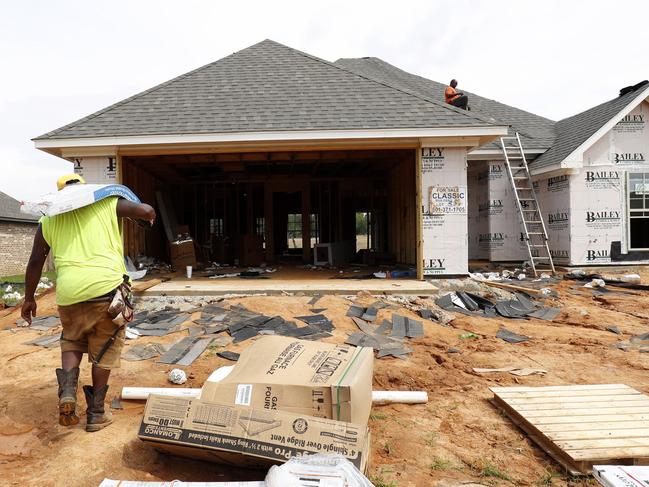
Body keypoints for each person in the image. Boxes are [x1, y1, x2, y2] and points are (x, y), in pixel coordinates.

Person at [20, 174, 156, 431]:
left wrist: (29, 299)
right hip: (105, 290)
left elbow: (35, 262)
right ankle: (96, 414)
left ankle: (68, 392)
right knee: (104, 349)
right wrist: (145, 213)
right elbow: (145, 210)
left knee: (72, 340)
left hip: (69, 294)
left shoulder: (48, 219)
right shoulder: (106, 203)